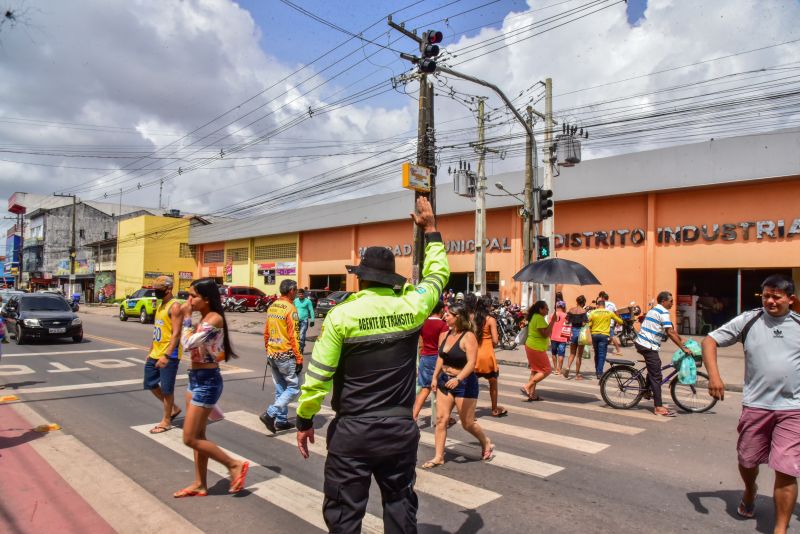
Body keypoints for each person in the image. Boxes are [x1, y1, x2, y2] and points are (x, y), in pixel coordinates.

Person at [295, 196, 449, 533]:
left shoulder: (341, 316)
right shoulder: (412, 306)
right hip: (398, 432)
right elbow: (438, 275)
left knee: (344, 518)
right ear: (390, 280)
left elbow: (318, 377)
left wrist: (305, 418)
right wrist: (432, 230)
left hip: (353, 434)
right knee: (400, 508)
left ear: (361, 279)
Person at [703, 274, 800, 530]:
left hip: (793, 409)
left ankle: (780, 528)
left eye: (776, 296)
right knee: (747, 460)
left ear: (791, 299)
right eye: (766, 295)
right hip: (756, 405)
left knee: (787, 469)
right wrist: (714, 376)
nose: (770, 300)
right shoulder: (749, 320)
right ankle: (750, 490)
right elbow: (710, 340)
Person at [174, 278, 248, 498]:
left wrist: (185, 317)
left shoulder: (214, 319)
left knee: (189, 438)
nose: (189, 300)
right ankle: (200, 483)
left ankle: (233, 464)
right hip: (195, 377)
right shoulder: (204, 317)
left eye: (193, 296)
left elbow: (187, 344)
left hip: (207, 381)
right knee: (199, 435)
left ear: (206, 298)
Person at [423, 302, 494, 469]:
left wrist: (459, 379)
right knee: (441, 419)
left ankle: (486, 442)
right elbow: (441, 357)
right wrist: (434, 377)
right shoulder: (445, 334)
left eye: (449, 314)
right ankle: (439, 456)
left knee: (467, 423)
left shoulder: (468, 336)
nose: (445, 316)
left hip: (465, 383)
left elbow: (471, 363)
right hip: (444, 381)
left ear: (458, 317)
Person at [634, 291, 692, 417]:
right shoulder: (663, 312)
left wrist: (681, 339)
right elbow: (670, 333)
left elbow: (671, 330)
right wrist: (683, 348)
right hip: (647, 345)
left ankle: (646, 391)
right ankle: (658, 407)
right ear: (663, 301)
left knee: (655, 367)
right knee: (657, 375)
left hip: (644, 343)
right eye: (671, 301)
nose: (672, 303)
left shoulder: (656, 310)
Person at [260, 279, 302, 434]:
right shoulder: (291, 309)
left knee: (280, 388)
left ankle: (282, 420)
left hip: (273, 353)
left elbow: (266, 332)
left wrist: (268, 350)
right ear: (291, 291)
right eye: (296, 290)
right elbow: (294, 336)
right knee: (293, 388)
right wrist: (299, 358)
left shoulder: (272, 306)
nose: (297, 292)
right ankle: (270, 414)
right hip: (285, 354)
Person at [143, 276, 183, 434]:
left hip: (169, 354)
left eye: (159, 290)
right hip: (155, 352)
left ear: (169, 289)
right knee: (150, 383)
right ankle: (173, 408)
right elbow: (157, 330)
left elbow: (176, 333)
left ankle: (166, 421)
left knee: (167, 389)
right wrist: (150, 351)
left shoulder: (174, 307)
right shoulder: (161, 305)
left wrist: (166, 355)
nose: (156, 292)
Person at [412, 301, 450, 422]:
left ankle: (414, 416)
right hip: (436, 358)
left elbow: (421, 343)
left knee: (425, 389)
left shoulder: (423, 323)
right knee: (441, 389)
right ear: (441, 311)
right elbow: (441, 347)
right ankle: (442, 418)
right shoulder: (443, 325)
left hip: (425, 357)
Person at [473, 295, 507, 417]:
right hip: (487, 355)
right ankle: (494, 409)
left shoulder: (472, 318)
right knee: (493, 383)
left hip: (474, 355)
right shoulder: (491, 320)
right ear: (488, 306)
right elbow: (496, 340)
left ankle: (470, 411)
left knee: (472, 384)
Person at [522, 301, 557, 400]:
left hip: (532, 346)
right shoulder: (539, 318)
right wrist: (553, 321)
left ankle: (532, 394)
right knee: (546, 370)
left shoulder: (535, 316)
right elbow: (545, 334)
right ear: (540, 309)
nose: (547, 310)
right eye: (546, 308)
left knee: (535, 371)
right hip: (536, 347)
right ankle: (527, 386)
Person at [587, 295, 625, 379]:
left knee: (596, 354)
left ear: (598, 305)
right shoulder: (609, 313)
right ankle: (599, 373)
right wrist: (619, 321)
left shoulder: (593, 312)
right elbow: (620, 321)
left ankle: (597, 370)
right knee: (602, 355)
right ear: (604, 305)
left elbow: (588, 323)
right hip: (604, 336)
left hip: (594, 335)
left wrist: (592, 325)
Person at [563, 295, 589, 380]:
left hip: (573, 332)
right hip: (581, 333)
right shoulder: (583, 311)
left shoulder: (571, 310)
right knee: (579, 355)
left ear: (577, 301)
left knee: (572, 353)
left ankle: (567, 367)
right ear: (583, 303)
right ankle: (577, 375)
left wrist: (572, 321)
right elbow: (584, 323)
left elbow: (566, 321)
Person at [600, 291, 623, 356]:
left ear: (603, 298)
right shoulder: (612, 304)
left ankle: (618, 350)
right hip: (611, 322)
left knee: (612, 336)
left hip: (604, 322)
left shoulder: (602, 304)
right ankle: (602, 348)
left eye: (601, 298)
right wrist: (618, 321)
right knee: (608, 336)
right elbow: (616, 313)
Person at [549, 301, 569, 375]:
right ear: (563, 307)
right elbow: (568, 326)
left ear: (556, 307)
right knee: (561, 354)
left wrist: (549, 336)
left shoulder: (552, 315)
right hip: (562, 338)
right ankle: (559, 370)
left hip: (553, 337)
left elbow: (549, 326)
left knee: (554, 353)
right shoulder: (566, 315)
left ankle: (555, 369)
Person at [293, 288, 315, 354]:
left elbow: (311, 310)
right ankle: (297, 348)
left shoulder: (308, 301)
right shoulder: (295, 301)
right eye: (299, 294)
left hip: (304, 321)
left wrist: (312, 320)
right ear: (297, 294)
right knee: (296, 336)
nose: (301, 295)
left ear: (304, 294)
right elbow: (292, 310)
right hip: (296, 320)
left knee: (302, 335)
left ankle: (301, 349)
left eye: (302, 294)